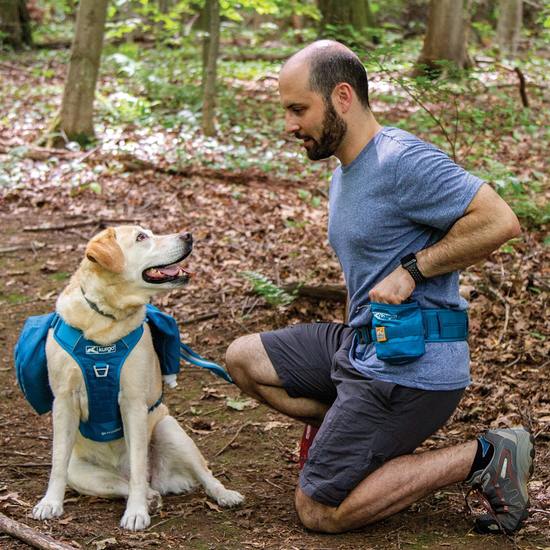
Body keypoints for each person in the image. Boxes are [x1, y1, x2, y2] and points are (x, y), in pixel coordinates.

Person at [225, 40, 533, 535]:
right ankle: (351, 430)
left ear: (342, 97)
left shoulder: (401, 160)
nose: (289, 125)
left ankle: (486, 455)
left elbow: (500, 220)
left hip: (412, 366)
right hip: (362, 345)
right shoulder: (346, 172)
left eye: (298, 109)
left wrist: (413, 270)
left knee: (318, 510)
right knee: (244, 358)